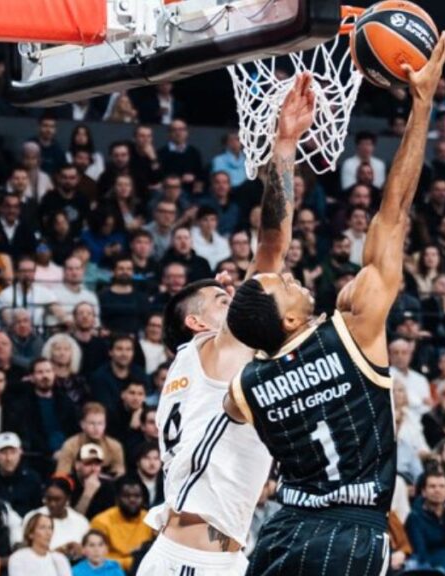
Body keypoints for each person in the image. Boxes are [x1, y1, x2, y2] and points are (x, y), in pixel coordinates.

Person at [222, 37, 445, 576]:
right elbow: (393, 211)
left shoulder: (244, 388)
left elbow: (237, 403)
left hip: (284, 529)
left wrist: (282, 147)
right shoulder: (354, 330)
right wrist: (421, 106)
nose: (295, 280)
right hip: (350, 532)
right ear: (291, 319)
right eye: (287, 287)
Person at [136, 72, 319, 575]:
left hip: (208, 555)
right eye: (221, 298)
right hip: (193, 561)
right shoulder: (213, 349)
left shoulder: (195, 368)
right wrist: (284, 146)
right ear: (197, 323)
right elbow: (272, 247)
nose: (232, 293)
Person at [90, 476, 154, 572]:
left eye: (137, 496)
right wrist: (132, 562)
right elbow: (97, 558)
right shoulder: (101, 521)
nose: (132, 500)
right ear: (117, 498)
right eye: (126, 496)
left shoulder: (150, 520)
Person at [9, 512, 74, 576]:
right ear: (31, 534)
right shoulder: (18, 558)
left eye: (50, 528)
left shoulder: (60, 559)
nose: (48, 533)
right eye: (42, 527)